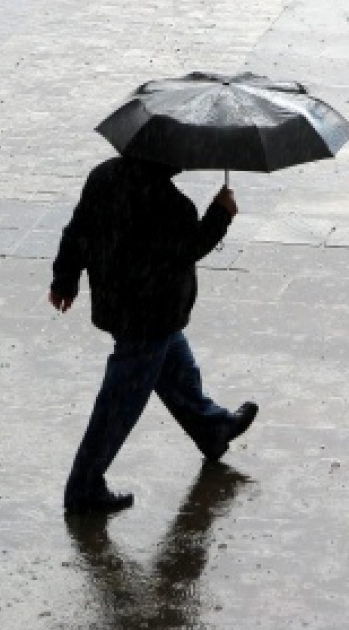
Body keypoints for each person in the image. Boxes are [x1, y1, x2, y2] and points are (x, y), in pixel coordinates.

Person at [48, 154, 258, 514]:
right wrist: (221, 213)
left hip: (120, 305)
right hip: (151, 314)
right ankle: (84, 486)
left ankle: (213, 428)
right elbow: (190, 247)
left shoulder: (104, 176)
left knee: (176, 367)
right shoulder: (170, 205)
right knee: (120, 402)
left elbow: (78, 231)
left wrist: (65, 278)